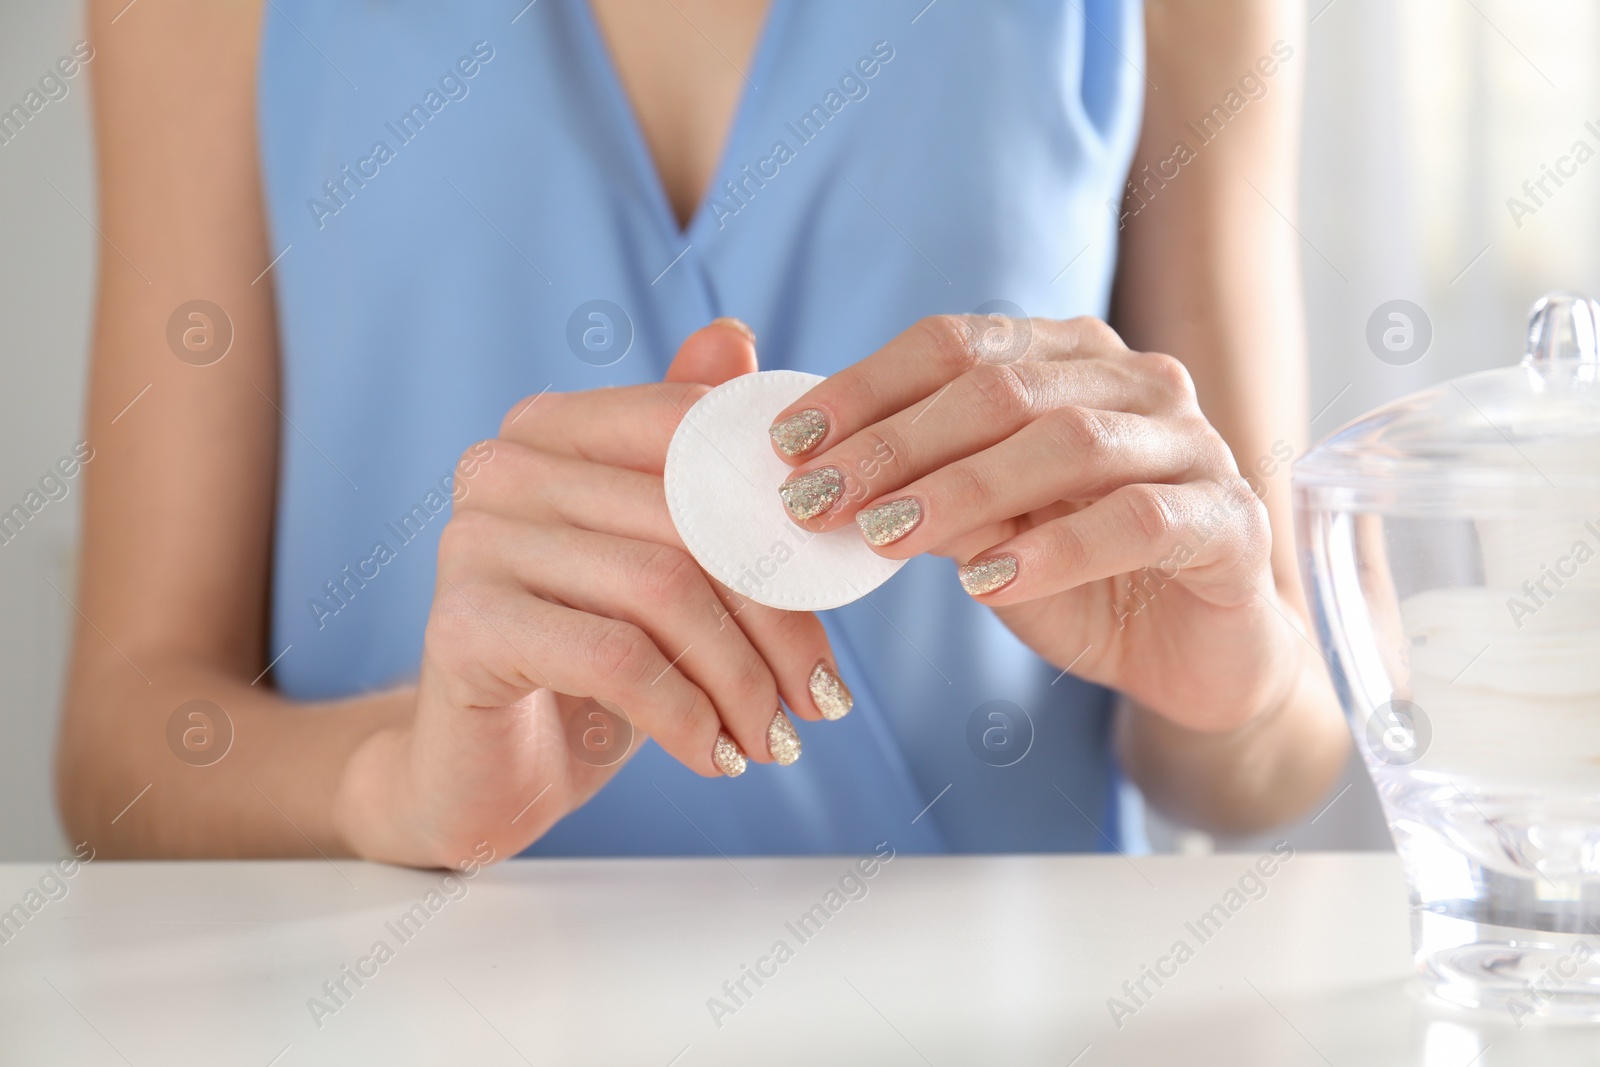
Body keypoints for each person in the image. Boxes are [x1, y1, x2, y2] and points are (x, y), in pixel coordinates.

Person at [58, 0, 1347, 867]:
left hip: (1015, 1018)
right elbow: (122, 740)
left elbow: (1276, 757)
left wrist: (1239, 692)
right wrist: (387, 783)